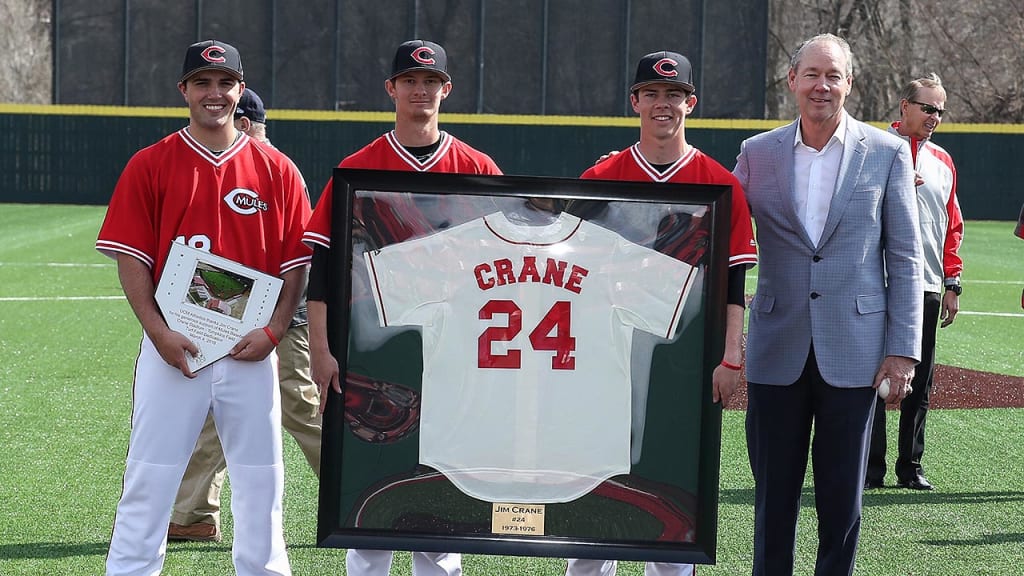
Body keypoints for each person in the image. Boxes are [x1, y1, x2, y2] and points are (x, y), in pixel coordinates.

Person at [96, 40, 310, 576]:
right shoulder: (150, 164)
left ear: (240, 89)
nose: (214, 93)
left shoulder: (278, 169)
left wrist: (275, 331)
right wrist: (158, 333)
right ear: (184, 90)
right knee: (150, 475)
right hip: (174, 348)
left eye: (225, 83)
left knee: (262, 481)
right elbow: (132, 260)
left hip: (250, 351)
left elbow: (296, 266)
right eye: (202, 82)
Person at [303, 39, 501, 576]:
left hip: (454, 350)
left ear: (446, 89)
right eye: (410, 81)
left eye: (431, 81)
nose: (421, 90)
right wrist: (320, 351)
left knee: (441, 495)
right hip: (371, 348)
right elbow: (322, 270)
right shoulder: (358, 167)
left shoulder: (477, 167)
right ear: (391, 89)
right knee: (370, 495)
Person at [732, 33, 923, 575]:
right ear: (792, 80)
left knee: (842, 502)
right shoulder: (757, 153)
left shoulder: (887, 153)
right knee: (773, 500)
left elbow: (906, 258)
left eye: (833, 75)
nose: (822, 86)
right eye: (812, 74)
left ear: (849, 84)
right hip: (776, 349)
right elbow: (719, 222)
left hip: (856, 353)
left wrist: (903, 351)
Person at [565, 50, 758, 576]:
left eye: (674, 94)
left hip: (686, 358)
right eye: (651, 93)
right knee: (595, 494)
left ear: (691, 103)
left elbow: (734, 284)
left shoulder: (720, 183)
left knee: (675, 498)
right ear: (635, 102)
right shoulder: (602, 175)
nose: (662, 104)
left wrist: (731, 357)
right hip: (606, 353)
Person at [167, 87, 322, 543]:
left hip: (281, 317)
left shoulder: (272, 167)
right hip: (233, 313)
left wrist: (279, 321)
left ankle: (354, 497)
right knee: (215, 410)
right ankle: (194, 514)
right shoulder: (236, 165)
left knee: (301, 409)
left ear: (245, 123)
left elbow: (298, 254)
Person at [866, 74, 963, 492]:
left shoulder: (943, 160)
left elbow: (951, 225)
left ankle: (910, 466)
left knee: (919, 380)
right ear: (904, 106)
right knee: (870, 376)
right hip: (875, 281)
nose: (934, 117)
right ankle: (870, 468)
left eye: (940, 110)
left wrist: (952, 283)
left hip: (925, 283)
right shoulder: (872, 148)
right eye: (928, 108)